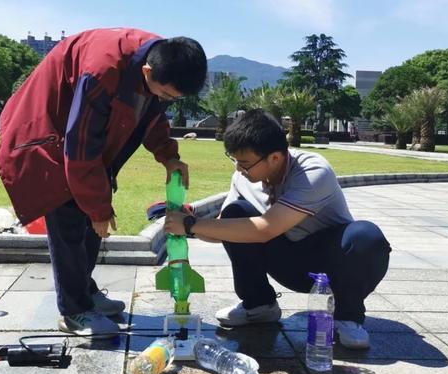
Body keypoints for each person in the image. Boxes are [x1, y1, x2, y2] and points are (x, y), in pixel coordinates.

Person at [0, 28, 207, 337]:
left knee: (95, 219)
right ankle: (74, 311)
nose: (164, 101)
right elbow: (80, 147)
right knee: (70, 216)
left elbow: (151, 114)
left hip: (79, 140)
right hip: (46, 137)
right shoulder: (102, 70)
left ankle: (85, 290)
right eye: (164, 94)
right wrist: (97, 208)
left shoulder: (159, 63)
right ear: (147, 71)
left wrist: (168, 155)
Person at [164, 109, 391, 349]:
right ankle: (259, 305)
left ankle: (348, 316)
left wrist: (191, 225)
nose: (240, 169)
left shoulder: (313, 171)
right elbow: (223, 228)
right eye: (235, 161)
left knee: (366, 236)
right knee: (235, 214)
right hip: (286, 262)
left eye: (245, 163)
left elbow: (266, 228)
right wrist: (189, 225)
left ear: (274, 158)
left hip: (330, 263)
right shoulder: (242, 178)